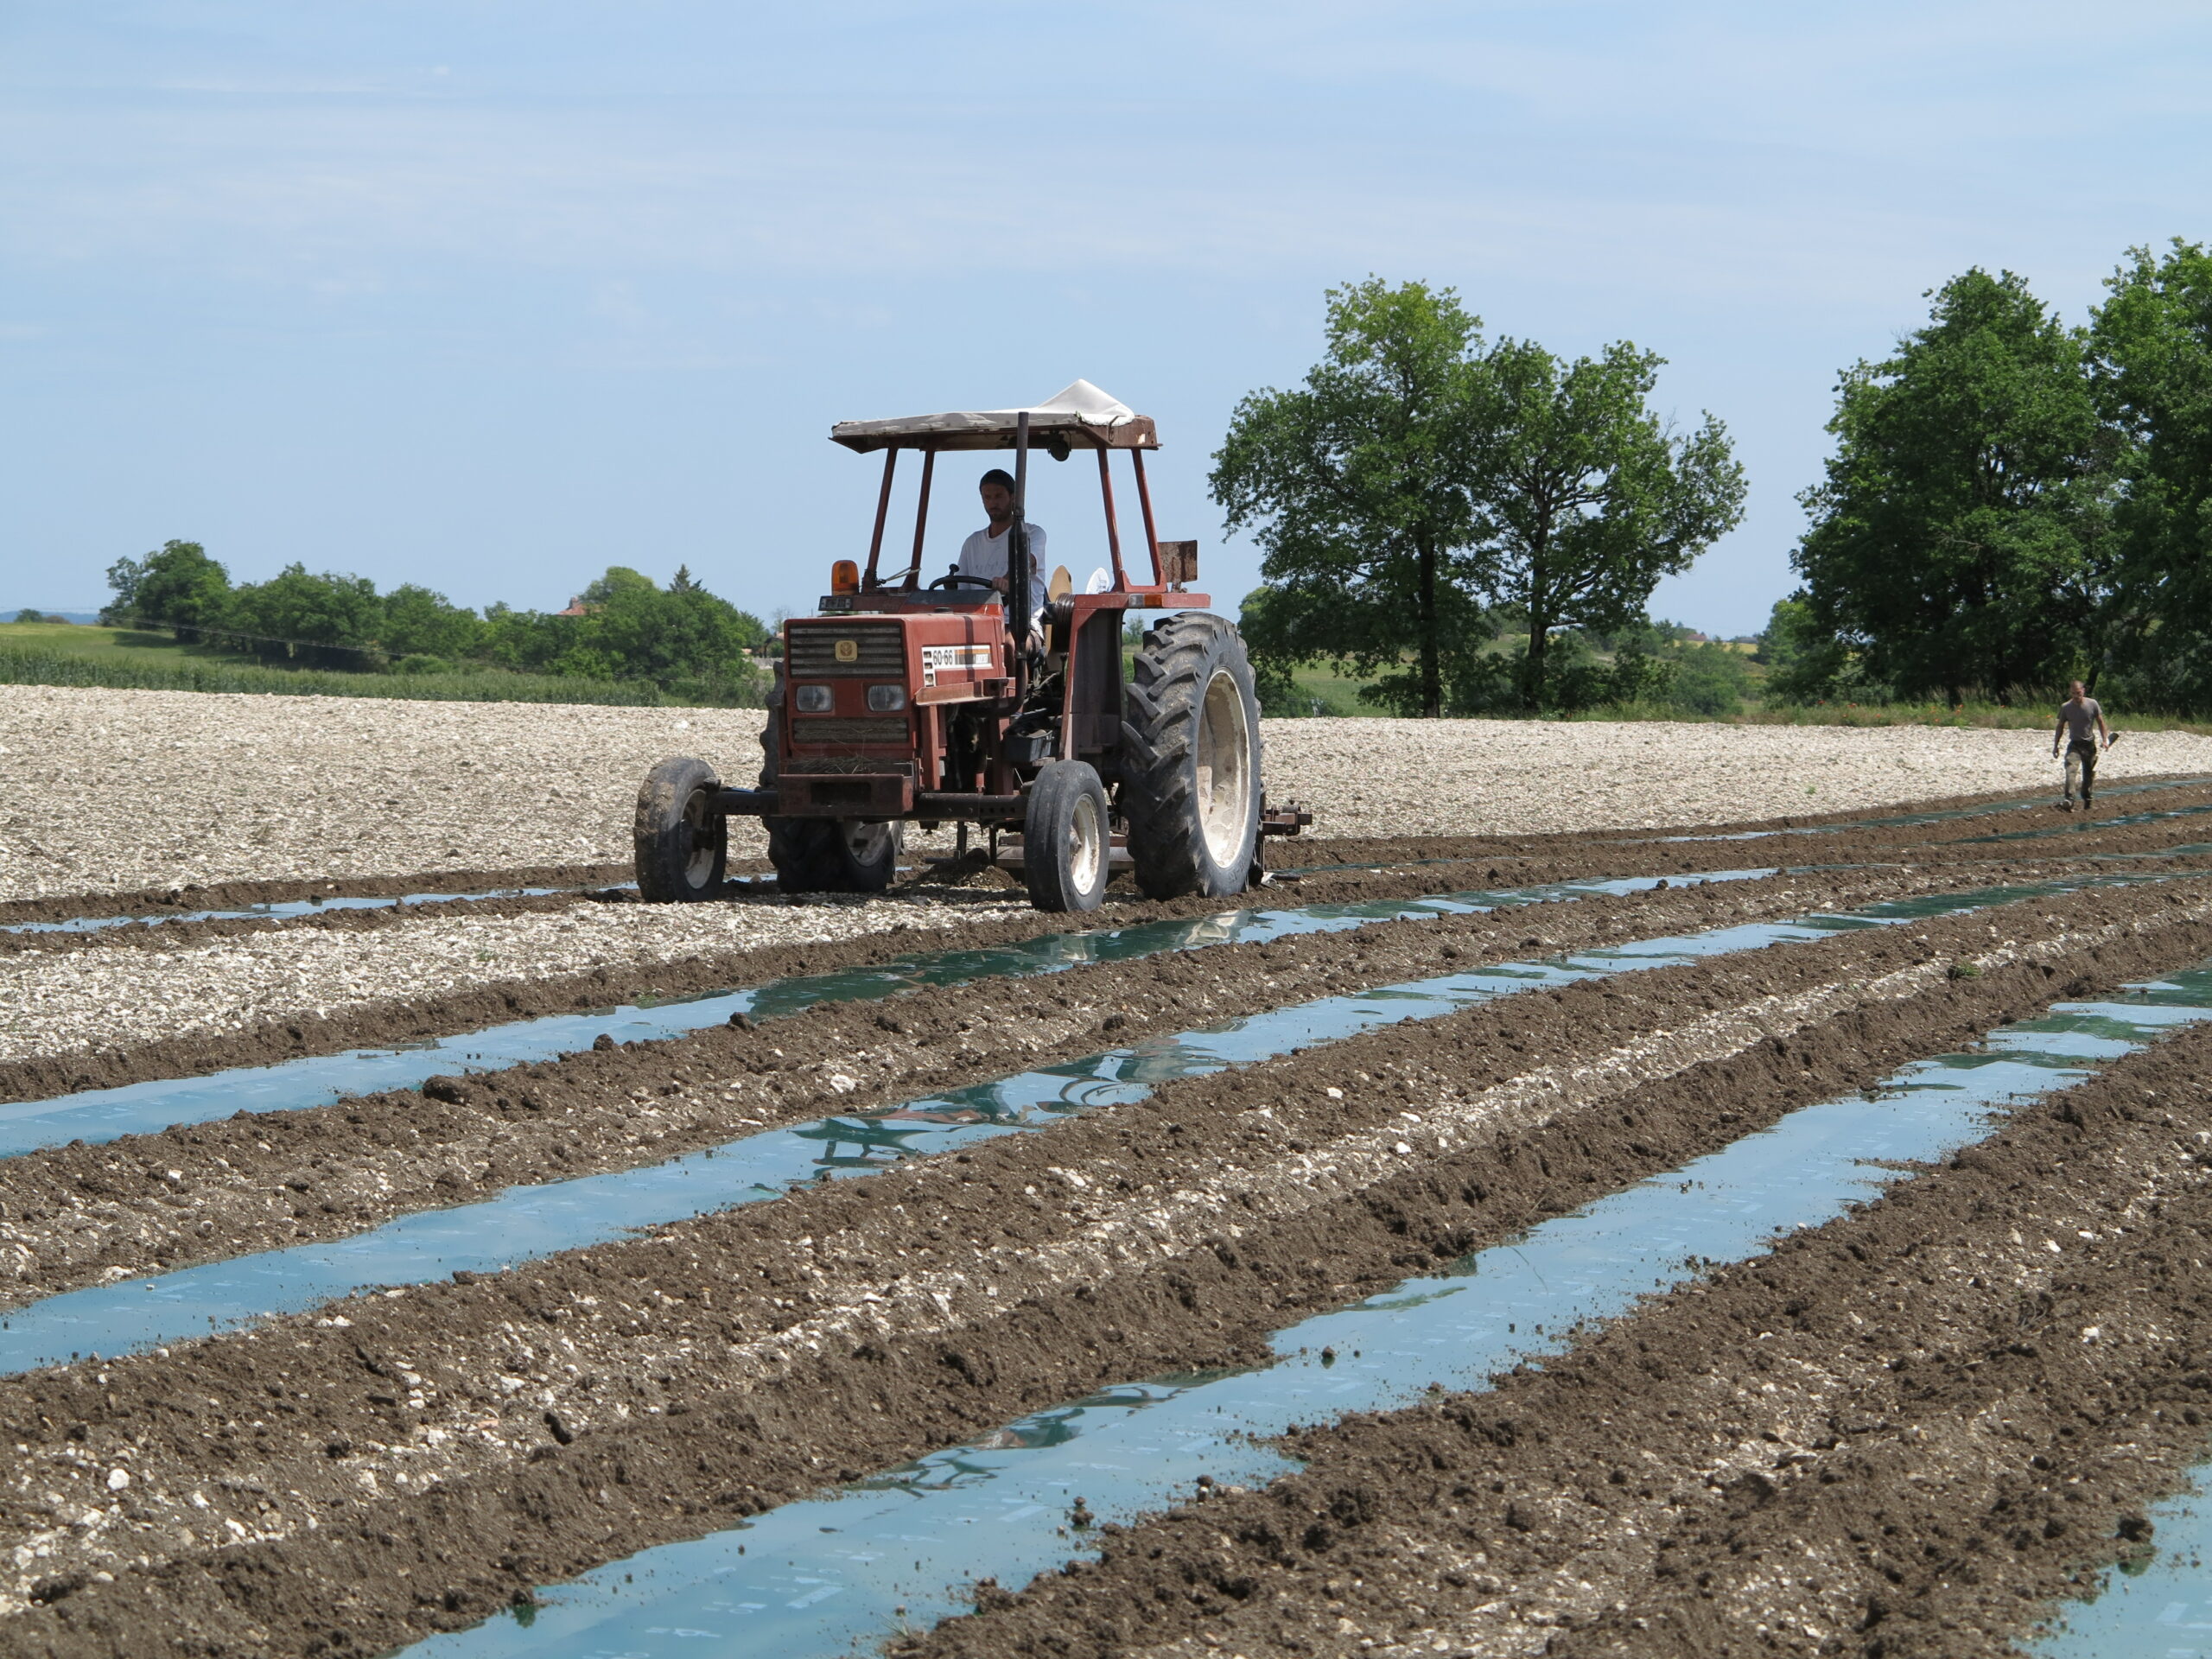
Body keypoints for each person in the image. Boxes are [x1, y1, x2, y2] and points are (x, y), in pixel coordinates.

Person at [957, 469, 1046, 595]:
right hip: (981, 615)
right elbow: (960, 589)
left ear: (1013, 498)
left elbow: (1026, 561)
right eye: (987, 497)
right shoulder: (972, 543)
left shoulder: (1032, 534)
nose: (993, 503)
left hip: (1020, 615)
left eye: (998, 496)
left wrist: (1007, 581)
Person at [2053, 680, 2111, 811]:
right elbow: (2060, 727)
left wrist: (2105, 739)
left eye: (2078, 693)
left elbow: (2101, 722)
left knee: (2089, 774)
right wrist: (2055, 745)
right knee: (2070, 769)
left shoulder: (2092, 704)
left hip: (2089, 745)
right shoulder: (2066, 707)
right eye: (2073, 693)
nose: (2076, 696)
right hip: (2074, 744)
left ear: (2083, 691)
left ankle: (2088, 800)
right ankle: (2069, 800)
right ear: (2070, 693)